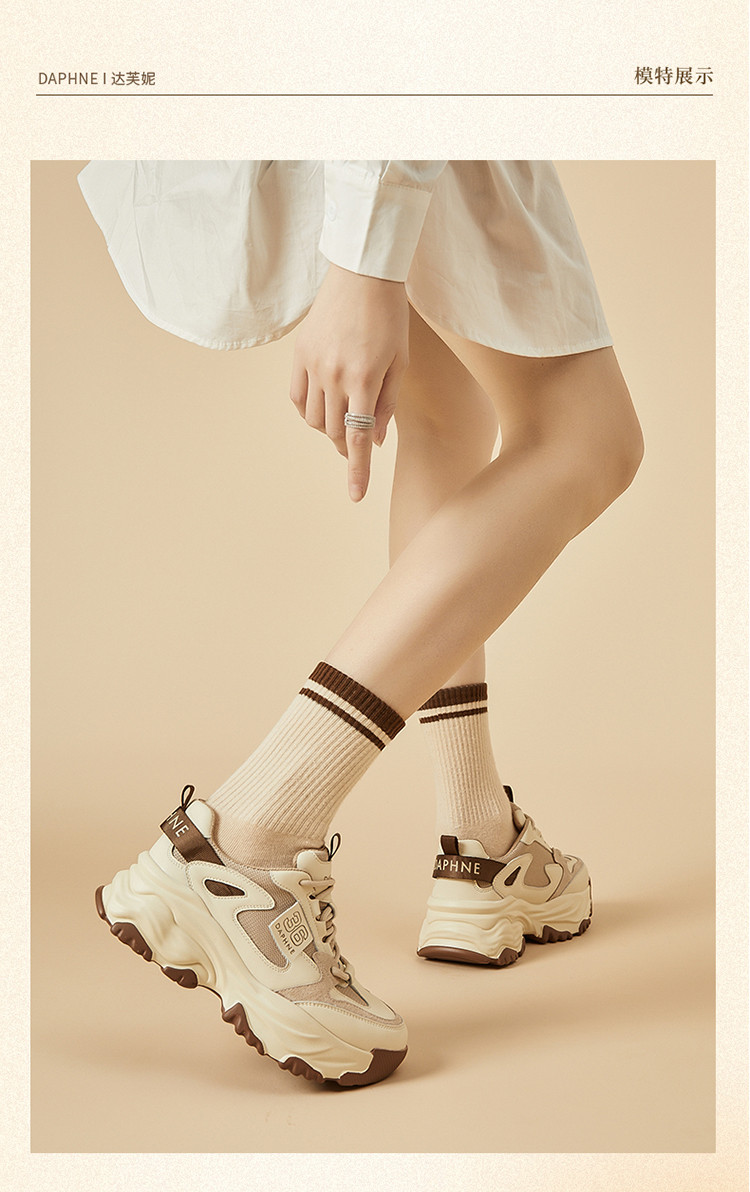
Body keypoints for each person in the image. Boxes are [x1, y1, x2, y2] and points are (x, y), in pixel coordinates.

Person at [80, 160, 644, 1088]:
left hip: (374, 131)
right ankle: (248, 839)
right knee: (586, 439)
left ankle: (479, 848)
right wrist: (364, 266)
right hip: (387, 124)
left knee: (447, 413)